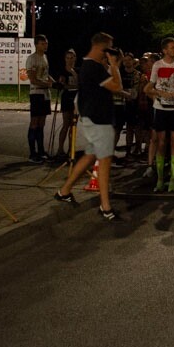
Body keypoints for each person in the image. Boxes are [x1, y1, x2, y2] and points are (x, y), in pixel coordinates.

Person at [53, 33, 122, 221]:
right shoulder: (93, 66)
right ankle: (105, 206)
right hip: (99, 120)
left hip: (93, 118)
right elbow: (116, 86)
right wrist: (114, 65)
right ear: (103, 48)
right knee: (105, 162)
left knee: (91, 155)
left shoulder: (89, 65)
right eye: (110, 48)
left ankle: (64, 191)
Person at [147, 37, 174, 190]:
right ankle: (159, 179)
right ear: (164, 50)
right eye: (172, 47)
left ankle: (172, 179)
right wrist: (160, 93)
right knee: (161, 142)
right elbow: (150, 86)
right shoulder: (157, 65)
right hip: (160, 108)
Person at [24, 34, 52, 162]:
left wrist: (55, 82)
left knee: (42, 123)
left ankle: (41, 150)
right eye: (42, 43)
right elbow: (33, 79)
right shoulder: (32, 58)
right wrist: (48, 84)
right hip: (36, 93)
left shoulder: (45, 57)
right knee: (34, 123)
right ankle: (32, 153)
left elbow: (46, 75)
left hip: (45, 94)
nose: (45, 45)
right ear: (36, 44)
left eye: (46, 43)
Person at [54, 48, 79, 160]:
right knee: (66, 124)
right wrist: (68, 86)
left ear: (75, 58)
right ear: (65, 59)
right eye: (68, 58)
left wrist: (73, 72)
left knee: (73, 125)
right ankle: (60, 149)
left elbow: (80, 83)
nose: (70, 60)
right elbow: (62, 85)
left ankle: (71, 149)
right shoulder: (62, 70)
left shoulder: (78, 70)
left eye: (72, 57)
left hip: (76, 99)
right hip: (66, 98)